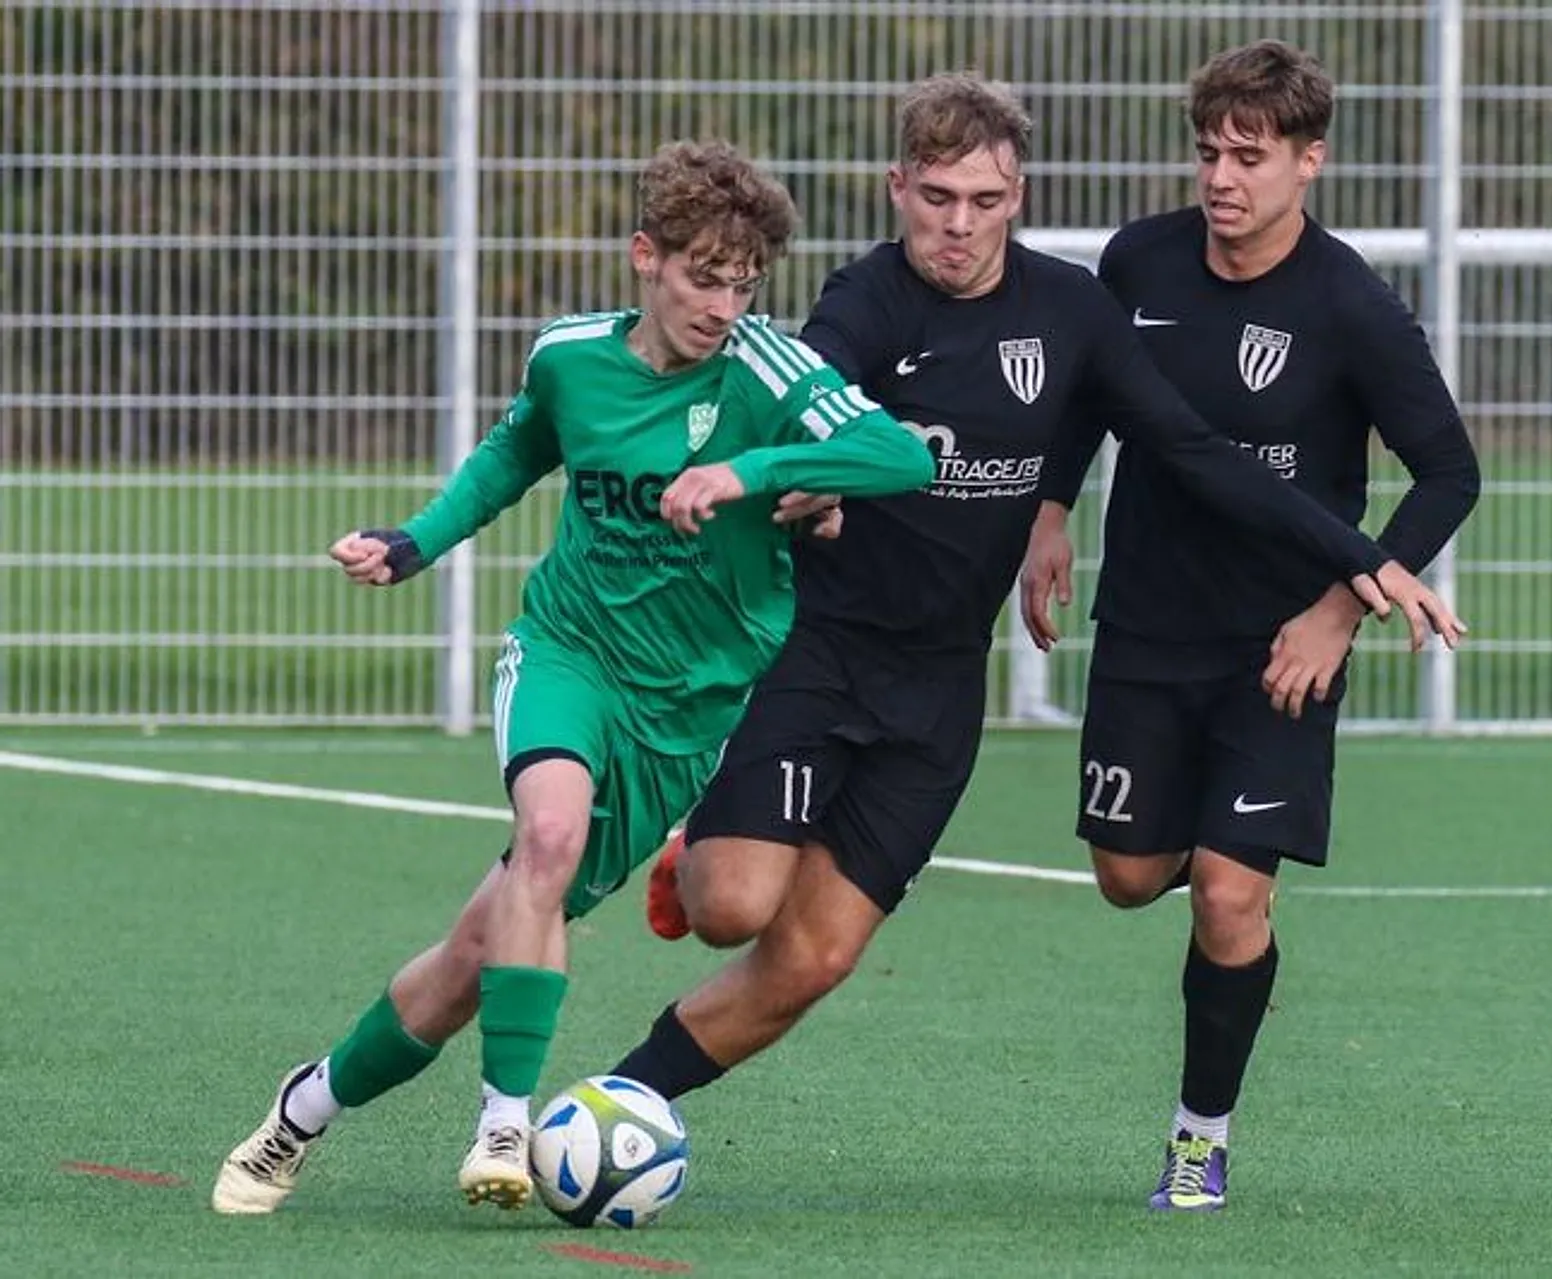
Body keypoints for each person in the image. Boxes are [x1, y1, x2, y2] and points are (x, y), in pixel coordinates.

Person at [600, 73, 1462, 1125]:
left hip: (944, 689)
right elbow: (811, 385)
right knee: (734, 906)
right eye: (936, 198)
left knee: (818, 958)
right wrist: (807, 464)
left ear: (1019, 197)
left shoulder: (1076, 309)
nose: (958, 225)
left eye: (985, 201)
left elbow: (1189, 446)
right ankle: (703, 852)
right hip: (821, 653)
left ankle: (621, 1103)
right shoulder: (868, 299)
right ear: (897, 190)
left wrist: (1358, 565)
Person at [209, 140, 935, 1216]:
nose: (724, 304)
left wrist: (755, 470)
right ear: (647, 257)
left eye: (745, 284)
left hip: (684, 710)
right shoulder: (570, 358)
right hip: (569, 652)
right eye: (703, 277)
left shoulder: (770, 370)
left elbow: (901, 458)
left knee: (471, 954)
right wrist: (412, 542)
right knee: (546, 834)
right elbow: (512, 455)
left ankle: (301, 1111)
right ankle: (505, 1125)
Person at [1019, 39, 1482, 1211]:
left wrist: (1336, 613)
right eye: (1208, 151)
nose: (1223, 177)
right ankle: (1219, 863)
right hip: (1145, 631)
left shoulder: (1352, 307)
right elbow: (1087, 393)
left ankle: (1199, 1134)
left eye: (1251, 155)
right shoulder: (1139, 263)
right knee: (1129, 878)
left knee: (1228, 890)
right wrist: (1049, 511)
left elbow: (1447, 474)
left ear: (1308, 162)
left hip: (1282, 650)